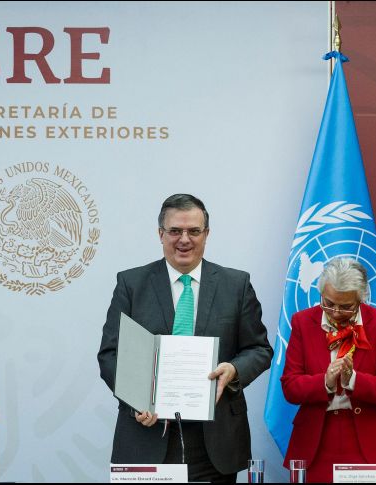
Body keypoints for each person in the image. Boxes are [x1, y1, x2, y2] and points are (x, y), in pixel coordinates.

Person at [97, 194, 273, 483]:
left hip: (215, 442)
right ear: (160, 234)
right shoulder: (131, 284)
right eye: (175, 231)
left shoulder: (236, 285)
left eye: (194, 231)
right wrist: (137, 399)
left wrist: (234, 369)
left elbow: (259, 348)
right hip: (147, 436)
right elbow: (110, 354)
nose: (184, 239)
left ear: (207, 234)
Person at [281, 257, 376, 482]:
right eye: (328, 303)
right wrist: (325, 381)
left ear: (361, 298)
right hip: (317, 442)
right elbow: (290, 386)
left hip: (373, 440)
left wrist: (353, 379)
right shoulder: (302, 321)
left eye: (346, 306)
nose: (335, 312)